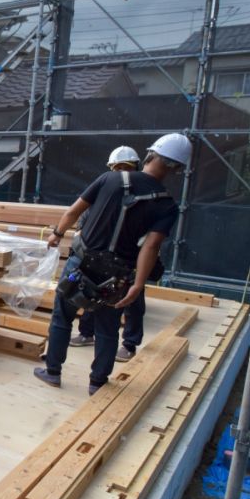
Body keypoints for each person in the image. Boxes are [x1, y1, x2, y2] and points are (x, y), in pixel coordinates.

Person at [34, 133, 192, 395]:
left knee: (63, 318)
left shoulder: (109, 178)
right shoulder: (166, 205)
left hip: (81, 263)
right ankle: (97, 382)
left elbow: (73, 211)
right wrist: (138, 284)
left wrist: (57, 234)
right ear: (176, 169)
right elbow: (150, 247)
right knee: (107, 328)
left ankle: (53, 372)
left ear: (150, 154)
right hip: (118, 276)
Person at [70, 146, 148, 361]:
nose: (121, 172)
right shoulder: (103, 191)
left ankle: (130, 344)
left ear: (136, 168)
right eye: (117, 168)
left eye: (126, 167)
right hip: (98, 257)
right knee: (91, 293)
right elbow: (84, 218)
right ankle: (86, 333)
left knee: (133, 299)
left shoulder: (144, 196)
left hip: (129, 258)